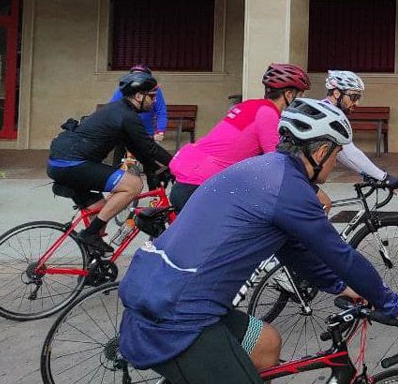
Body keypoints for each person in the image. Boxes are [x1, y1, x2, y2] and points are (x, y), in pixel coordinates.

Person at [118, 99, 398, 384]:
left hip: (162, 296)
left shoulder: (265, 169)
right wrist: (395, 306)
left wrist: (345, 289)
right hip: (177, 319)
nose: (335, 166)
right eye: (335, 155)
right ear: (319, 151)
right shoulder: (290, 189)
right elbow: (341, 254)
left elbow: (295, 253)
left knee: (267, 343)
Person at [47, 71, 173, 254]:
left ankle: (94, 265)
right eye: (152, 97)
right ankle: (90, 234)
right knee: (133, 185)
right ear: (139, 96)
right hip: (72, 164)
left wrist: (153, 169)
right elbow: (150, 148)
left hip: (60, 164)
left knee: (101, 211)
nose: (154, 101)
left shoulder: (118, 110)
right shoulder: (126, 116)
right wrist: (178, 163)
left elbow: (138, 148)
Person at [168, 63, 310, 211]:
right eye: (300, 96)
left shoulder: (247, 106)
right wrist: (309, 189)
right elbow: (276, 164)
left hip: (188, 179)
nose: (301, 101)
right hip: (203, 187)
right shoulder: (268, 113)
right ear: (289, 95)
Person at [323, 71, 398, 193]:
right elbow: (351, 153)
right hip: (296, 174)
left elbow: (341, 152)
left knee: (324, 205)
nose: (357, 103)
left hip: (299, 174)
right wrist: (385, 178)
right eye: (354, 97)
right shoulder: (331, 116)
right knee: (323, 205)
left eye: (358, 98)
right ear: (336, 93)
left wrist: (365, 172)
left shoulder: (326, 109)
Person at [108, 64, 168, 142]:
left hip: (147, 132)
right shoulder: (123, 89)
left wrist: (160, 132)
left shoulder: (155, 90)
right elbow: (113, 109)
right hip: (125, 132)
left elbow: (161, 112)